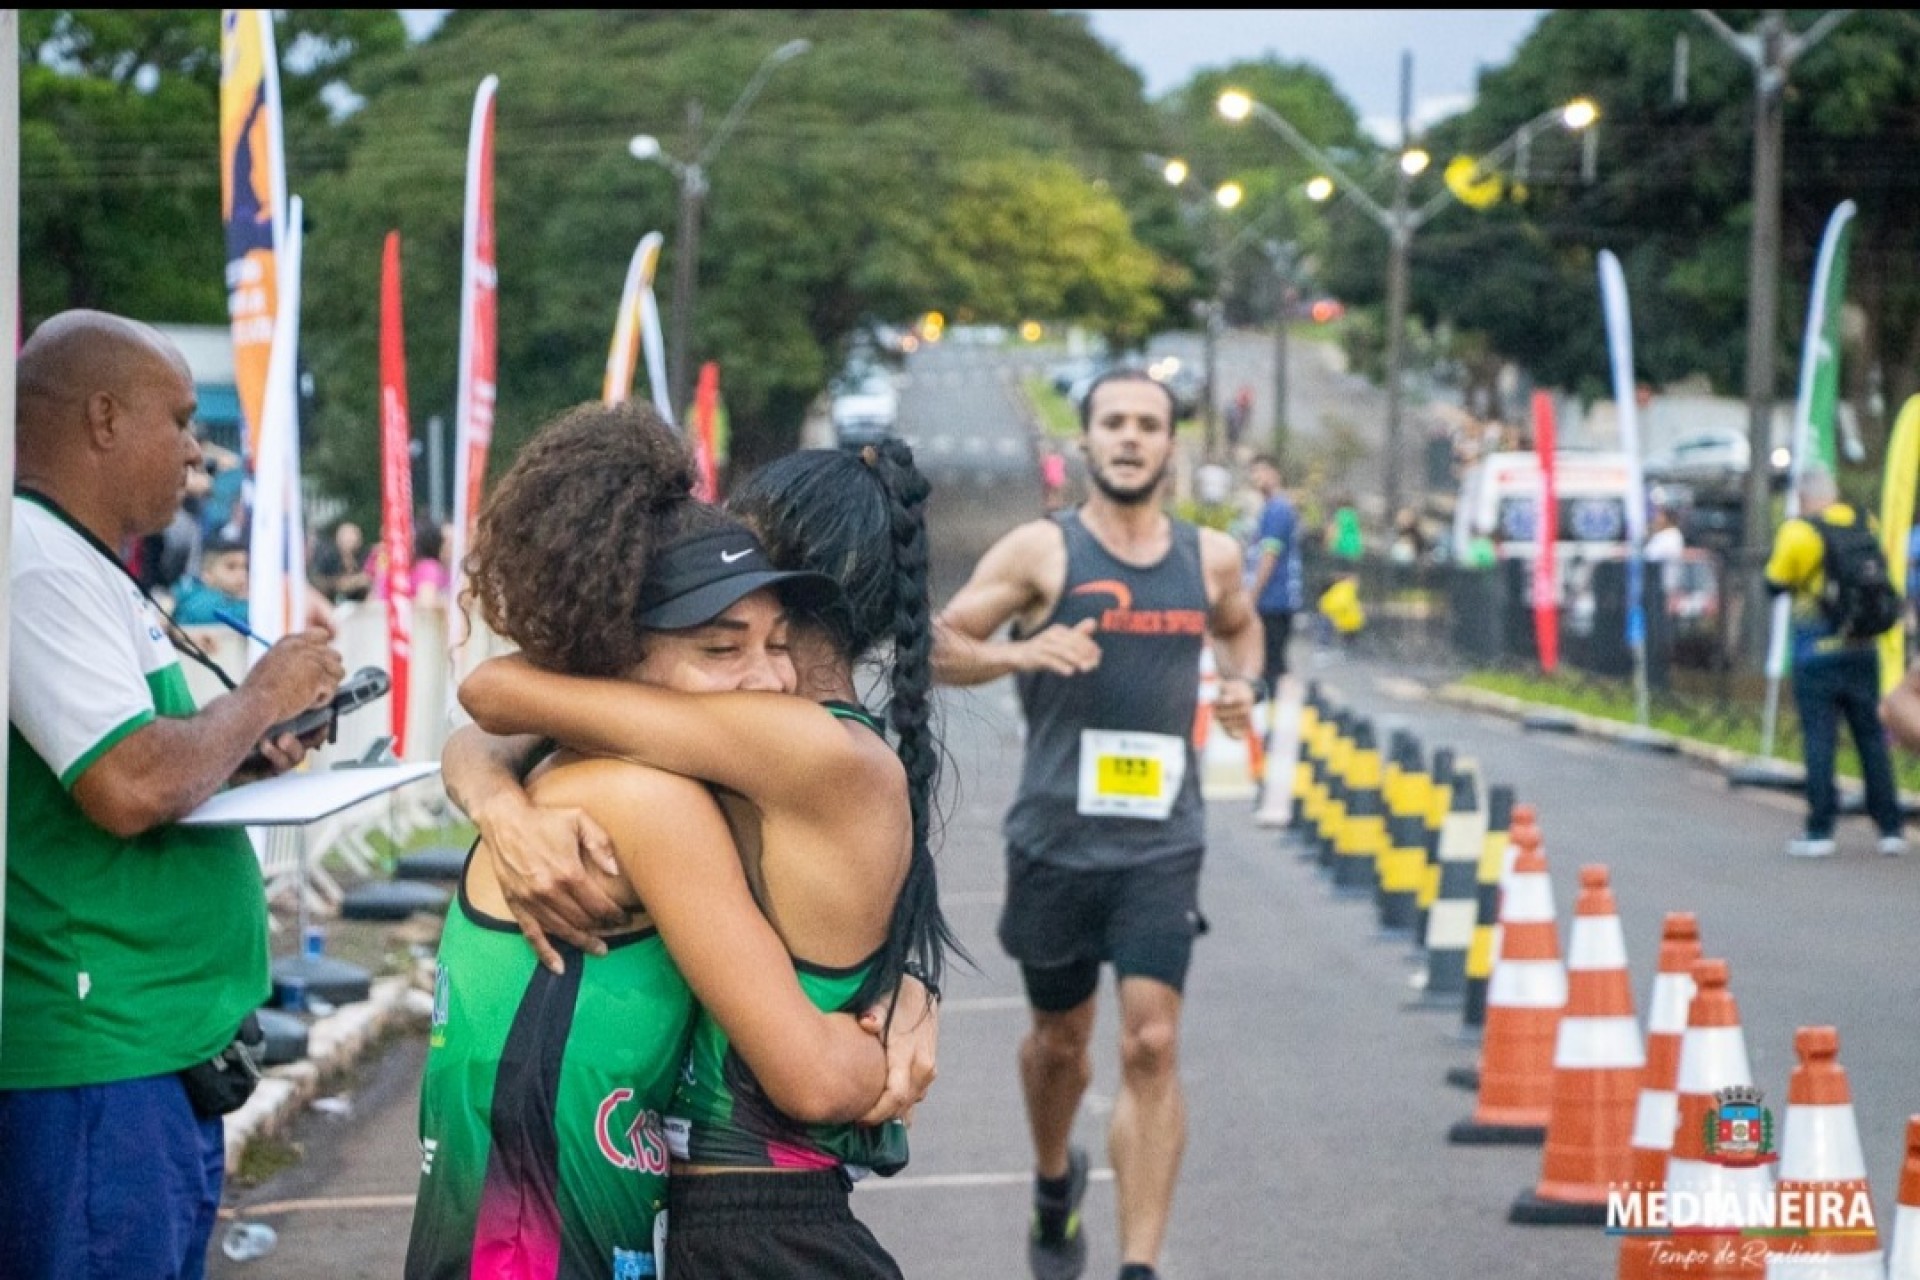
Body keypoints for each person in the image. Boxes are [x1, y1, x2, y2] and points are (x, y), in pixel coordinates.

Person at [441, 434, 951, 1278]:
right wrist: (495, 798)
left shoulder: (795, 746)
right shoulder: (735, 747)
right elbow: (491, 731)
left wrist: (881, 1048)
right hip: (699, 1214)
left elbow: (497, 691)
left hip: (761, 1224)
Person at [0, 309, 345, 1280]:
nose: (197, 451)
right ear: (103, 419)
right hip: (98, 1053)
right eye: (181, 419)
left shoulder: (79, 560)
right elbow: (127, 781)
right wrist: (260, 696)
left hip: (142, 1050)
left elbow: (145, 756)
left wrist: (242, 747)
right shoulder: (30, 560)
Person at [932, 367, 1263, 1280]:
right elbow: (937, 643)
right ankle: (1052, 1182)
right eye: (1112, 423)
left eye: (1146, 424)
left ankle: (1139, 1266)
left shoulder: (1211, 559)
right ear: (1085, 443)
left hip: (1163, 839)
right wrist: (1021, 649)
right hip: (1054, 838)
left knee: (1151, 1042)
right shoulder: (1042, 552)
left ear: (1170, 445)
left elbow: (1242, 628)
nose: (1129, 437)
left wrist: (1245, 686)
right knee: (1059, 1045)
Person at [1764, 464, 1906, 858]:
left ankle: (1820, 829)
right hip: (1864, 649)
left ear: (1803, 497)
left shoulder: (1799, 532)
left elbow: (1775, 583)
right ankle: (1891, 828)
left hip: (1816, 653)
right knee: (1871, 739)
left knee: (1820, 738)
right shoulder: (1865, 521)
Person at [1245, 454, 1303, 691]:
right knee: (1270, 664)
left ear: (1276, 473)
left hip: (1274, 601)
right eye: (1254, 472)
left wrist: (1251, 597)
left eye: (1263, 471)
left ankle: (1273, 720)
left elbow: (1269, 556)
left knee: (1271, 666)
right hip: (1272, 600)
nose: (1258, 478)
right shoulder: (1271, 508)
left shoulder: (1278, 510)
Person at [172, 534, 250, 627]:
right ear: (207, 574)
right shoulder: (200, 600)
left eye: (246, 567)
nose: (242, 574)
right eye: (231, 567)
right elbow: (236, 616)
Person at [311, 516, 373, 603]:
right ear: (337, 538)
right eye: (346, 536)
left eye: (354, 535)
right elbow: (317, 581)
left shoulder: (365, 556)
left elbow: (371, 578)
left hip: (361, 604)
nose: (350, 539)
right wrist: (338, 584)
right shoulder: (329, 558)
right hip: (332, 604)